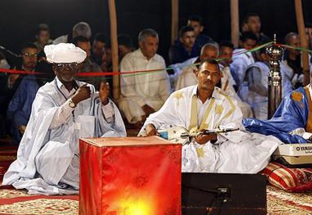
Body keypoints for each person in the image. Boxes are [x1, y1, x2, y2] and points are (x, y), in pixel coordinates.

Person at [2, 43, 126, 195]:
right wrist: (74, 101)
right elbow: (50, 121)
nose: (67, 69)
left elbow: (106, 122)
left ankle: (88, 179)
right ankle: (89, 180)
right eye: (62, 65)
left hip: (85, 152)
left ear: (77, 68)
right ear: (55, 69)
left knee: (113, 139)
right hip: (56, 154)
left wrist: (105, 102)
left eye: (71, 65)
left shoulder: (88, 89)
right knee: (58, 152)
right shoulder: (46, 92)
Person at [139, 59, 281, 173]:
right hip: (184, 145)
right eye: (205, 73)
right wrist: (151, 126)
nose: (209, 78)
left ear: (219, 77)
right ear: (196, 74)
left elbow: (236, 129)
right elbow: (156, 118)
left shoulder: (227, 102)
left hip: (214, 148)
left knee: (243, 149)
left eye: (214, 74)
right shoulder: (179, 97)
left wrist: (212, 137)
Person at [119, 28, 171, 126]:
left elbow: (165, 89)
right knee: (124, 103)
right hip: (136, 103)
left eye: (156, 44)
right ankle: (141, 120)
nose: (154, 48)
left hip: (154, 103)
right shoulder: (129, 60)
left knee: (168, 103)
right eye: (151, 44)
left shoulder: (160, 61)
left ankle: (148, 120)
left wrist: (168, 108)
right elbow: (127, 90)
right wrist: (143, 106)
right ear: (141, 44)